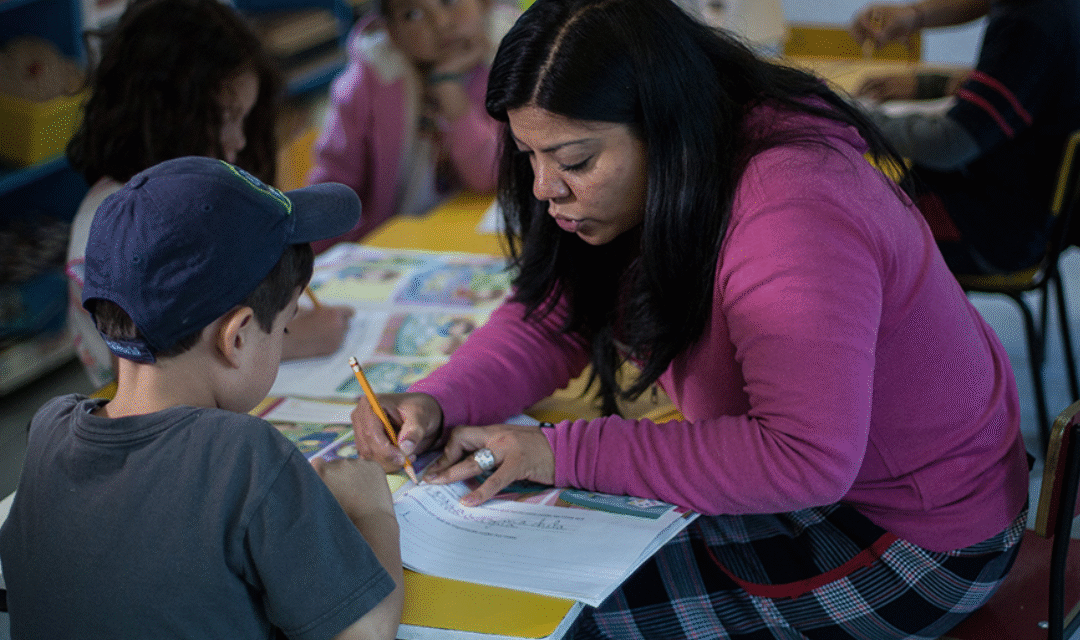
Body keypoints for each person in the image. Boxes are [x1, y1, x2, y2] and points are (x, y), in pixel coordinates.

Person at [347, 0, 1031, 638]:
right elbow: (556, 316)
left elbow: (805, 458)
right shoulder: (663, 175)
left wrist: (558, 452)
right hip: (822, 488)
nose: (545, 188)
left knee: (552, 620)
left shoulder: (791, 210)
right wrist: (438, 399)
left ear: (663, 125)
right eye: (529, 155)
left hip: (916, 538)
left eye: (574, 160)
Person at [0, 156, 403, 639]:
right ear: (237, 336)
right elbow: (366, 632)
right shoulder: (245, 457)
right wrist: (373, 512)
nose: (284, 338)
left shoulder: (48, 431)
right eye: (284, 326)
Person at [65, 0, 355, 389]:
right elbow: (145, 370)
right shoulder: (111, 225)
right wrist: (294, 341)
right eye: (224, 120)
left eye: (245, 118)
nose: (240, 141)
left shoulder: (201, 197)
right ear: (166, 116)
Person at [849, 0, 1080, 273]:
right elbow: (1009, 83)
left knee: (847, 221)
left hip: (994, 230)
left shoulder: (1029, 22)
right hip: (1018, 209)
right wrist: (931, 84)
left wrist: (849, 117)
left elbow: (949, 144)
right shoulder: (1050, 11)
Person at [306, 0, 518, 251]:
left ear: (485, 3)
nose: (441, 23)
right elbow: (333, 190)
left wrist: (448, 87)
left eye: (449, 1)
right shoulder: (364, 85)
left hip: (464, 233)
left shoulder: (507, 62)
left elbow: (488, 175)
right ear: (392, 33)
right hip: (389, 245)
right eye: (413, 14)